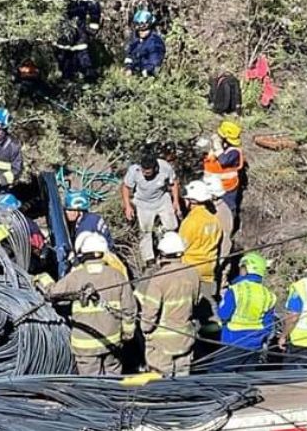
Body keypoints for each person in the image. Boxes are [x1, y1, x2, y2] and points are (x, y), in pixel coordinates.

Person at [48, 233, 136, 376]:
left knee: (91, 386)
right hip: (111, 343)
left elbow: (53, 294)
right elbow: (129, 308)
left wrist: (43, 279)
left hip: (85, 346)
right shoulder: (116, 275)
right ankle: (114, 398)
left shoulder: (76, 276)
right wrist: (127, 333)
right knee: (114, 381)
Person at [136, 232, 201, 376]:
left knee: (160, 386)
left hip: (162, 344)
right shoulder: (193, 273)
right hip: (185, 337)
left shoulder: (158, 279)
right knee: (182, 380)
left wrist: (145, 329)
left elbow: (149, 316)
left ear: (162, 254)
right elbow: (195, 302)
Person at [213, 252, 276, 372]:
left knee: (217, 374)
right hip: (255, 344)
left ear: (246, 269)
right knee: (246, 377)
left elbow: (223, 314)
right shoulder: (268, 295)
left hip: (233, 341)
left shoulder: (236, 290)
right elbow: (268, 323)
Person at [121, 147, 181, 264]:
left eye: (148, 172)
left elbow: (173, 183)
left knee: (172, 226)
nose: (145, 174)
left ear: (155, 168)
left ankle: (170, 251)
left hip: (162, 199)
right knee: (146, 231)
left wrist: (176, 202)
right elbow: (126, 187)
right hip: (143, 204)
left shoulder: (165, 168)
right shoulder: (134, 171)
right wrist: (128, 206)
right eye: (144, 171)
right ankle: (149, 259)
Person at [179, 180, 221, 318]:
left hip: (190, 269)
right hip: (209, 267)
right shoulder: (214, 219)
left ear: (192, 200)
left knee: (189, 306)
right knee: (207, 304)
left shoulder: (190, 222)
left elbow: (180, 247)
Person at [202, 120, 245, 227]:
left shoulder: (234, 152)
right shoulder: (222, 147)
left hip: (228, 188)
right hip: (214, 186)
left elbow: (223, 160)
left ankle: (230, 226)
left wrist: (218, 147)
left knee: (228, 209)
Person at [55, 0, 101, 83]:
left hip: (79, 33)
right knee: (65, 59)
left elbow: (93, 6)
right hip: (65, 34)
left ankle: (88, 77)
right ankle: (67, 78)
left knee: (83, 56)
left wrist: (93, 26)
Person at [204, 175, 234, 283]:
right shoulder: (212, 209)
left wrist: (218, 262)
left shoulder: (221, 213)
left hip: (218, 258)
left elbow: (225, 242)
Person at [124, 8, 165, 77]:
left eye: (144, 29)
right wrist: (128, 68)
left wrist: (146, 71)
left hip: (148, 77)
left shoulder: (155, 42)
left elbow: (155, 62)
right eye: (138, 29)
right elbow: (129, 55)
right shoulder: (135, 39)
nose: (141, 31)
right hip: (135, 75)